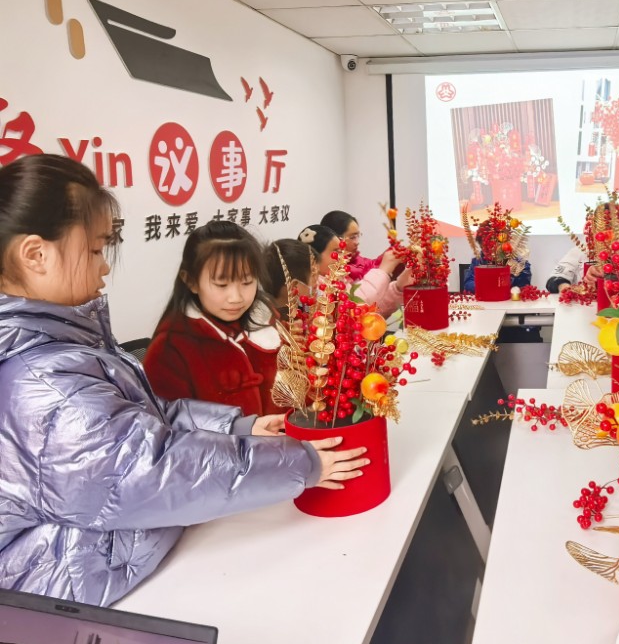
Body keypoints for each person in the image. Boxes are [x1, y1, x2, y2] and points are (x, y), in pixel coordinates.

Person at [0, 155, 366, 606]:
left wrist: (239, 427)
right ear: (36, 255)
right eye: (95, 251)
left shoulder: (63, 347)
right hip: (86, 603)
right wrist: (300, 464)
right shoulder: (44, 384)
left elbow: (148, 419)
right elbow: (154, 468)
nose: (104, 268)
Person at [144, 221, 283, 416]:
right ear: (191, 281)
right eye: (221, 285)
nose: (236, 297)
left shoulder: (268, 323)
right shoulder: (169, 351)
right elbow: (168, 425)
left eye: (247, 282)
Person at [298, 223, 409, 316]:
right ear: (313, 258)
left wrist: (397, 288)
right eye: (336, 252)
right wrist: (383, 270)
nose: (341, 257)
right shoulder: (312, 289)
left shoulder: (339, 280)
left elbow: (364, 310)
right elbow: (355, 306)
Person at [263, 238, 316, 321]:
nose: (318, 282)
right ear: (294, 286)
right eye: (314, 276)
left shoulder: (303, 307)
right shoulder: (289, 324)